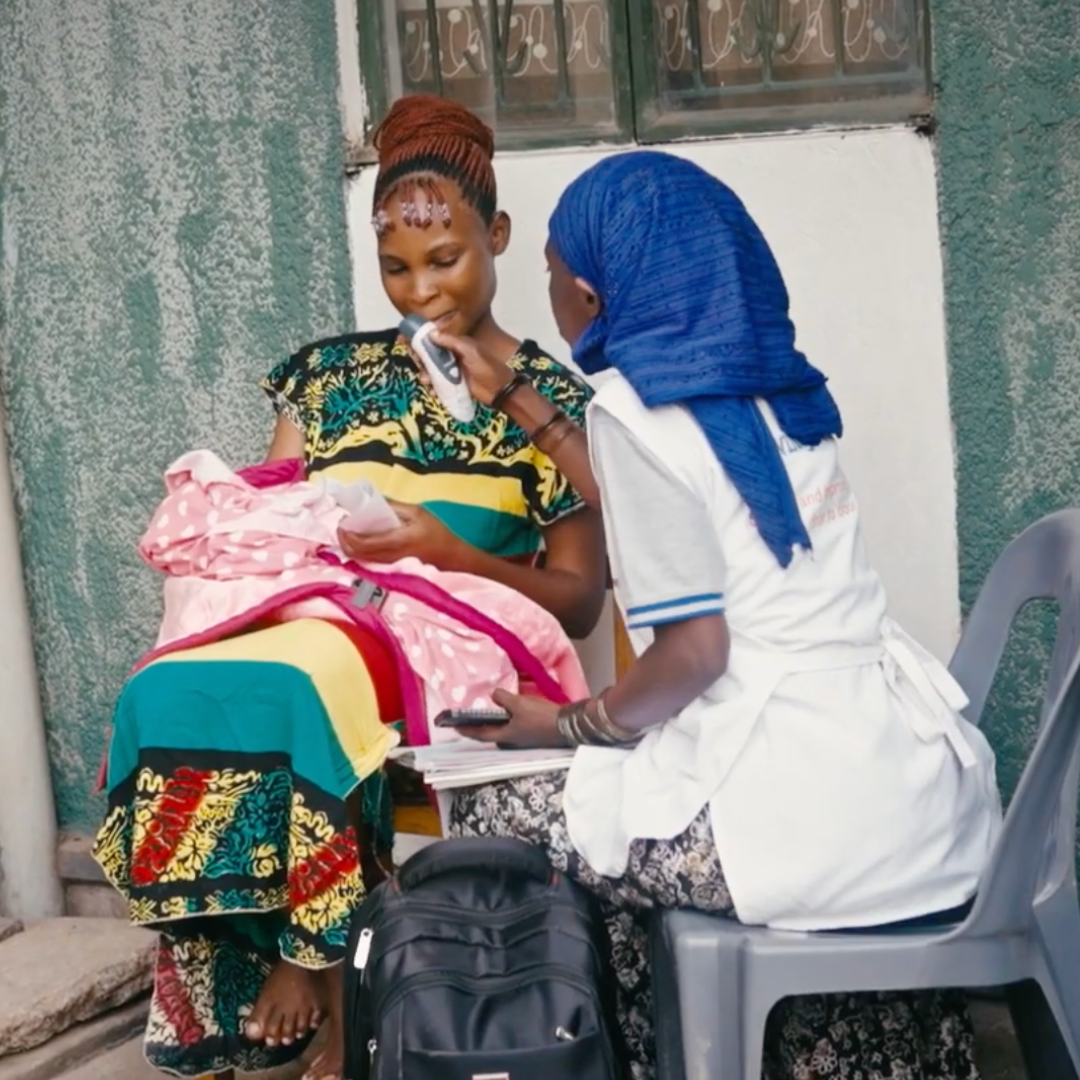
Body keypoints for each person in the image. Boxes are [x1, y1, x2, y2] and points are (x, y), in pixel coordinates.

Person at [436, 150, 1003, 1080]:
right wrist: (517, 397)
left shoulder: (638, 412)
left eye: (548, 274)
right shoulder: (780, 385)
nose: (552, 296)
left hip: (793, 817)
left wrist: (575, 724)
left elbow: (696, 653)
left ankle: (648, 1059)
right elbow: (663, 499)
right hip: (910, 797)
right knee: (618, 815)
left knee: (489, 806)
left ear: (588, 290)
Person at [92, 94, 606, 1080]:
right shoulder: (325, 377)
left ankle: (322, 963)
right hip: (306, 601)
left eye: (446, 258)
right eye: (396, 266)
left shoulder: (547, 400)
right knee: (163, 692)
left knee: (298, 682)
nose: (422, 292)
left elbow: (579, 601)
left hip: (447, 620)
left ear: (496, 238)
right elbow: (269, 519)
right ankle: (257, 951)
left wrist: (438, 551)